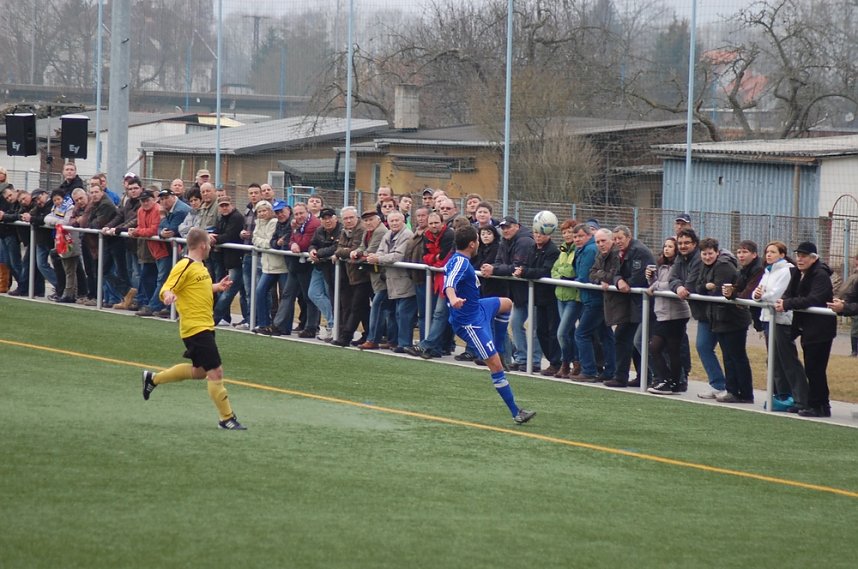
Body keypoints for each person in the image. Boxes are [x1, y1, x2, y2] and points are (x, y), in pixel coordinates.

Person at [141, 227, 246, 430]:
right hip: (195, 327)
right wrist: (168, 296)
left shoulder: (200, 266)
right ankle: (227, 418)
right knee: (215, 372)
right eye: (210, 244)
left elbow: (197, 288)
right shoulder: (185, 264)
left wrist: (217, 287)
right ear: (204, 245)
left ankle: (153, 379)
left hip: (205, 325)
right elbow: (166, 288)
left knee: (199, 372)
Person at [445, 225, 536, 425]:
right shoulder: (460, 262)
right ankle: (516, 412)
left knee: (506, 303)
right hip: (469, 323)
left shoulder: (460, 259)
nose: (479, 242)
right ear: (472, 244)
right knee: (495, 366)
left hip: (478, 308)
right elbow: (449, 283)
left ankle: (499, 346)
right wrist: (453, 299)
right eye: (477, 239)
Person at [777, 241, 836, 417]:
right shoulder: (797, 272)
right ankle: (812, 402)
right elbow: (789, 293)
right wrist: (785, 301)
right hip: (805, 326)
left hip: (820, 328)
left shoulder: (820, 275)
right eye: (798, 256)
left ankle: (820, 405)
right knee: (811, 367)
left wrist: (787, 304)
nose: (800, 259)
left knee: (815, 368)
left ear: (813, 258)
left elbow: (814, 299)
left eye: (803, 256)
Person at [696, 237, 754, 403]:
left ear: (717, 252)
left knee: (737, 357)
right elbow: (698, 286)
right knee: (728, 356)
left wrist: (709, 288)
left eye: (710, 253)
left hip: (732, 318)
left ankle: (744, 393)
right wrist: (707, 286)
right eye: (704, 254)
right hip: (719, 319)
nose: (707, 257)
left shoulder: (723, 266)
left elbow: (721, 293)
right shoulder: (705, 266)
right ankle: (732, 390)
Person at [669, 228, 725, 398]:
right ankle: (718, 384)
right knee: (703, 346)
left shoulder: (699, 259)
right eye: (680, 243)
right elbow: (673, 278)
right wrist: (678, 286)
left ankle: (735, 389)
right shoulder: (679, 258)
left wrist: (683, 286)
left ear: (694, 244)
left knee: (730, 352)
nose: (683, 246)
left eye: (687, 243)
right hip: (703, 314)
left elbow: (691, 284)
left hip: (719, 313)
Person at [753, 241, 807, 410]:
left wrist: (762, 296)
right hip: (768, 319)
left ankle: (800, 398)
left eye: (773, 252)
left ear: (782, 255)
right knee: (773, 360)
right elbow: (758, 292)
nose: (769, 255)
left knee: (788, 360)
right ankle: (782, 395)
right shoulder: (768, 271)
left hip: (782, 321)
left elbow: (775, 295)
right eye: (767, 252)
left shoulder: (786, 271)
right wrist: (757, 296)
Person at [646, 237, 691, 394]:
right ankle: (669, 380)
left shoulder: (679, 265)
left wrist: (655, 285)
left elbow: (675, 284)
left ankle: (670, 381)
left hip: (676, 313)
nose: (666, 249)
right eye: (665, 246)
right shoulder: (661, 265)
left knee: (667, 349)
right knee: (658, 348)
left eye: (670, 246)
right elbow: (656, 284)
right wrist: (651, 278)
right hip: (663, 312)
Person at [516, 226, 561, 377]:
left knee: (553, 330)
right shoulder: (532, 248)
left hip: (550, 296)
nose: (537, 236)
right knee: (541, 331)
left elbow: (545, 271)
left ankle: (556, 362)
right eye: (535, 233)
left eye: (541, 233)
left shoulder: (553, 251)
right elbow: (528, 265)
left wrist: (525, 272)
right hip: (538, 296)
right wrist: (522, 270)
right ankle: (552, 361)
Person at [251, 201, 288, 334]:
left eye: (264, 210)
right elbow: (255, 240)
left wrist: (265, 243)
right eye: (259, 211)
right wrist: (265, 243)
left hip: (281, 265)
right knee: (260, 291)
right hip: (267, 265)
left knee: (285, 296)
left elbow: (271, 241)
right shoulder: (258, 223)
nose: (262, 213)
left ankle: (284, 326)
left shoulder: (274, 222)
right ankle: (263, 323)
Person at [551, 219, 582, 379]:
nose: (567, 235)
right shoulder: (563, 249)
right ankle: (573, 363)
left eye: (570, 231)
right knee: (568, 331)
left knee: (562, 333)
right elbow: (554, 270)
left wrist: (563, 273)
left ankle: (568, 362)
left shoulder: (578, 250)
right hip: (560, 294)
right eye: (564, 232)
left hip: (573, 297)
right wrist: (561, 274)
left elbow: (571, 272)